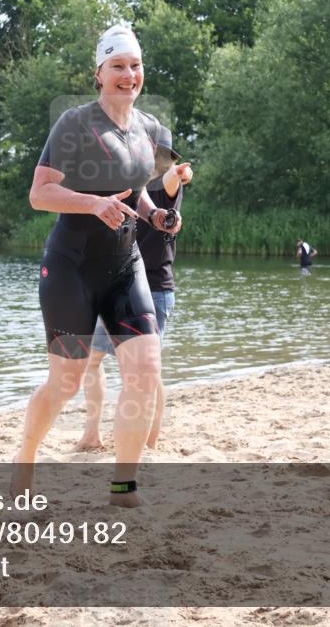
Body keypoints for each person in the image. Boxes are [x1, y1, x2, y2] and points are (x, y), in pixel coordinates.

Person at [13, 25, 186, 508]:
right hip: (71, 270)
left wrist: (155, 215)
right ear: (100, 73)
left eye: (135, 66)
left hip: (125, 268)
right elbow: (39, 193)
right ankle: (25, 460)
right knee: (65, 382)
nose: (128, 75)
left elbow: (140, 189)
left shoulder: (149, 129)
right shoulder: (74, 123)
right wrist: (92, 204)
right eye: (118, 66)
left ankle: (123, 485)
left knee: (146, 369)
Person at [77, 130, 191, 452]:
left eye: (161, 154)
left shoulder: (164, 186)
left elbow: (171, 178)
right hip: (119, 287)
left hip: (154, 290)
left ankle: (150, 442)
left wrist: (177, 173)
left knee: (148, 373)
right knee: (91, 361)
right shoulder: (130, 185)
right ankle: (91, 434)